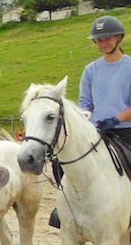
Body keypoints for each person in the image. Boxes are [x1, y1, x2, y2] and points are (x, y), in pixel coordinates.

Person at [49, 15, 131, 228]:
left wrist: (115, 119)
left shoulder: (129, 66)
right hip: (96, 131)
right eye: (99, 40)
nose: (104, 43)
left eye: (108, 38)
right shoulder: (91, 70)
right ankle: (64, 206)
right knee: (60, 161)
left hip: (124, 129)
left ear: (118, 38)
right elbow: (85, 102)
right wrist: (85, 118)